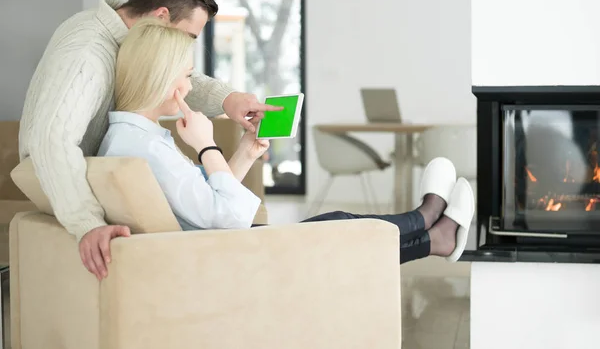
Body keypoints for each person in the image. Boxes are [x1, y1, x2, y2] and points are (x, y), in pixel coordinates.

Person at [93, 18, 475, 281]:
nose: (190, 88)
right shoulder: (143, 149)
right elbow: (223, 214)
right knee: (343, 231)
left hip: (215, 247)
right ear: (161, 79)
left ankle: (430, 229)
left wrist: (243, 152)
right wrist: (206, 144)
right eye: (186, 76)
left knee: (341, 226)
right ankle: (427, 223)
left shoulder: (132, 139)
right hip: (221, 257)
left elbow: (200, 199)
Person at [19, 0, 281, 278]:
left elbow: (171, 72)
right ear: (160, 17)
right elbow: (52, 140)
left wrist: (228, 100)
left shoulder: (124, 49)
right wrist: (87, 223)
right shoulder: (87, 53)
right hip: (79, 195)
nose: (185, 48)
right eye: (187, 36)